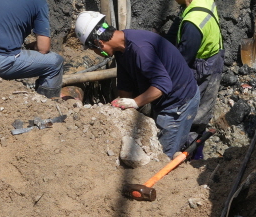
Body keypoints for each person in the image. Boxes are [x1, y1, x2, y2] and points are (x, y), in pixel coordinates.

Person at [74, 12, 200, 157]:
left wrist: (134, 102)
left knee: (163, 155)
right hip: (165, 100)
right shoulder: (122, 47)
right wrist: (121, 106)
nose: (96, 53)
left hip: (179, 103)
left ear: (99, 43)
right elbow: (125, 82)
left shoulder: (140, 49)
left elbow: (162, 85)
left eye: (94, 49)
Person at [159, 0, 225, 131]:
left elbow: (183, 59)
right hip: (212, 56)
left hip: (205, 66)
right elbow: (176, 26)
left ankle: (193, 145)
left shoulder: (192, 24)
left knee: (198, 110)